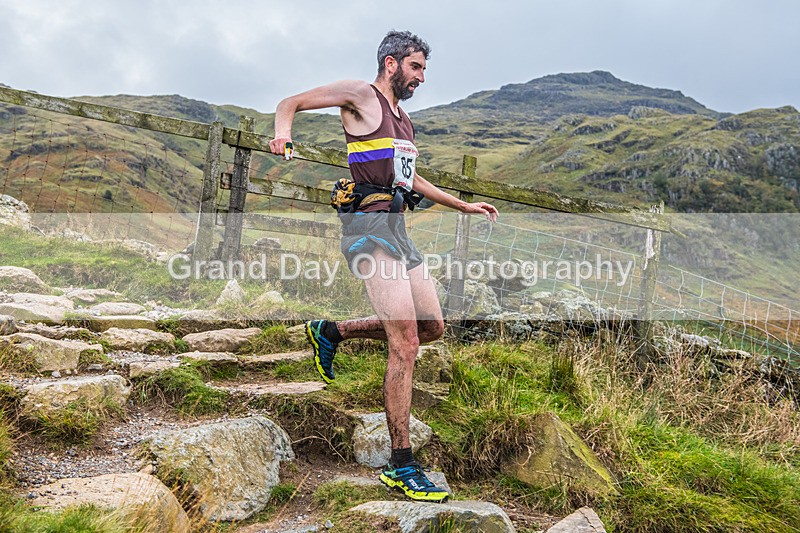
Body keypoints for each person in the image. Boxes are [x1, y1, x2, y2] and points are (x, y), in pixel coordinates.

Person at [269, 30, 498, 502]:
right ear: (392, 63)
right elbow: (290, 102)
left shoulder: (405, 122)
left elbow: (412, 180)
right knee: (406, 342)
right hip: (367, 226)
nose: (421, 77)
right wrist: (282, 135)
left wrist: (463, 206)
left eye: (424, 70)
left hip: (397, 228)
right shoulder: (360, 95)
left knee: (431, 325)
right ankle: (401, 464)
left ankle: (333, 332)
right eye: (416, 68)